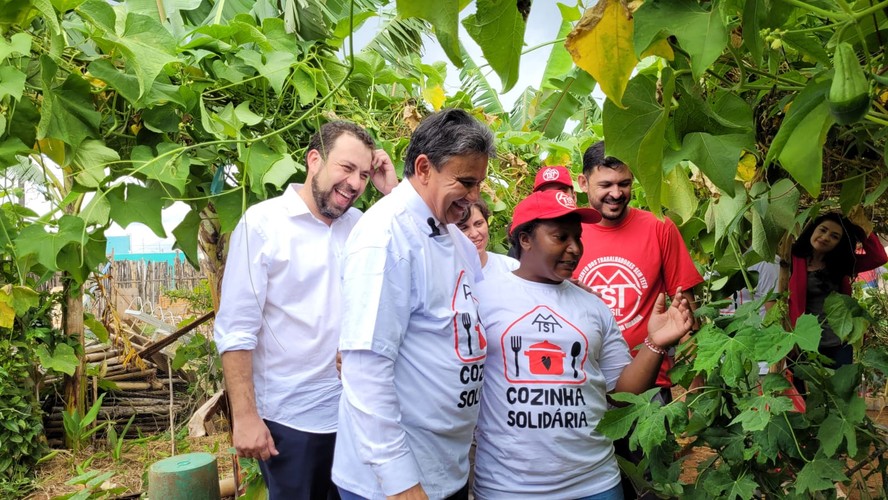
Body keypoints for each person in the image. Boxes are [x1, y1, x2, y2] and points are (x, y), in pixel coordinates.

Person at [213, 121, 397, 500]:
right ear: (315, 160)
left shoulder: (361, 226)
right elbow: (236, 327)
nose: (355, 184)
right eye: (346, 168)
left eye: (364, 174)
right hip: (291, 420)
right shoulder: (264, 224)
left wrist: (391, 191)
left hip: (355, 413)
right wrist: (246, 417)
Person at [472, 190, 694, 499]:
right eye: (560, 237)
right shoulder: (482, 297)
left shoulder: (592, 305)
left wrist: (654, 343)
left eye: (578, 238)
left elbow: (620, 394)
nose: (574, 249)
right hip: (510, 487)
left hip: (595, 483)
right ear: (525, 239)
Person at [333, 108, 495, 500]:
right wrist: (402, 486)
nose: (474, 198)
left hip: (445, 467)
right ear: (424, 168)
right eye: (465, 182)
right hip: (393, 487)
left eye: (479, 183)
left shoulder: (451, 235)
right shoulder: (385, 237)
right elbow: (366, 372)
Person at [573, 141, 702, 498]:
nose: (616, 193)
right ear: (583, 183)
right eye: (606, 185)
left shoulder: (659, 228)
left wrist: (696, 385)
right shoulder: (570, 233)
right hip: (585, 386)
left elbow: (684, 307)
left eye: (624, 184)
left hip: (650, 387)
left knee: (649, 485)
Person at [785, 213, 887, 367]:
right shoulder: (790, 259)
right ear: (812, 230)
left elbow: (879, 258)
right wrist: (788, 336)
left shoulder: (841, 264)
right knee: (804, 389)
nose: (825, 237)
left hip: (838, 343)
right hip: (802, 342)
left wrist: (862, 227)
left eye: (834, 236)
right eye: (822, 230)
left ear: (839, 243)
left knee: (839, 389)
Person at [456, 199, 518, 276]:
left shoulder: (511, 267)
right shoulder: (446, 275)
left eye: (478, 224)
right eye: (464, 228)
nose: (474, 234)